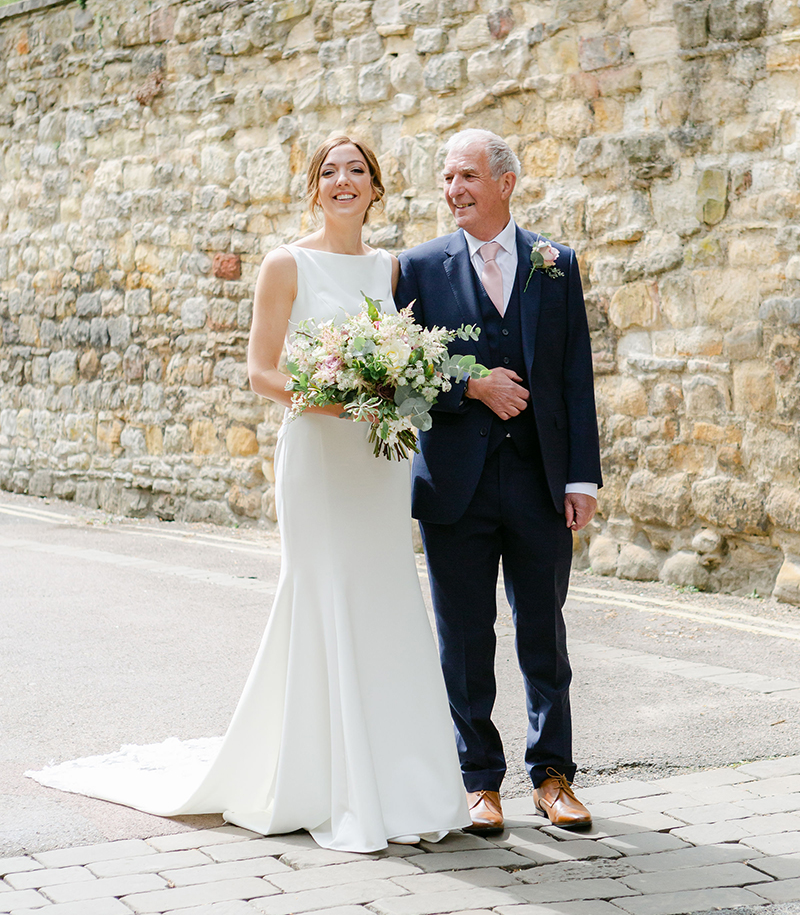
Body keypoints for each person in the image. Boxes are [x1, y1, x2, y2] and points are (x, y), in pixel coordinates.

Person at [28, 133, 468, 853]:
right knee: (323, 590)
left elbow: (411, 362)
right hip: (320, 454)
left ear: (378, 189)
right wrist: (340, 399)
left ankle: (403, 784)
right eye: (330, 172)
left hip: (379, 460)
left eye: (357, 171)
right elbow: (262, 372)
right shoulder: (284, 263)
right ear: (313, 188)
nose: (344, 181)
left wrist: (397, 386)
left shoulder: (392, 269)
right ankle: (320, 780)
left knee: (385, 593)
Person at [395, 128, 602, 835]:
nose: (453, 190)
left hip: (542, 481)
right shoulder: (416, 269)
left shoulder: (555, 264)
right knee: (464, 638)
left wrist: (583, 480)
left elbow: (576, 380)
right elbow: (400, 378)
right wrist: (472, 387)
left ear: (506, 182)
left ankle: (553, 777)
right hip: (456, 485)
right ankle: (478, 781)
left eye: (466, 177)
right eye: (446, 178)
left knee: (544, 632)